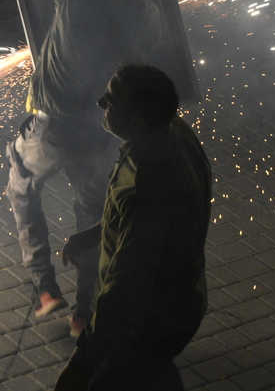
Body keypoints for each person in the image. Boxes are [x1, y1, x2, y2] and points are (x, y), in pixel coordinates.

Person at [7, 0, 165, 337]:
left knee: (22, 186)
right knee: (93, 216)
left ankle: (44, 289)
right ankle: (84, 316)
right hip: (103, 127)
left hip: (56, 123)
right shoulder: (146, 12)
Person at [55, 63, 212, 391]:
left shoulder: (147, 184)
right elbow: (128, 218)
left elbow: (124, 289)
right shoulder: (173, 131)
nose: (101, 104)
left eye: (111, 102)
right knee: (152, 372)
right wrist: (92, 234)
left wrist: (82, 364)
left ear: (137, 122)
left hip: (151, 321)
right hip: (177, 306)